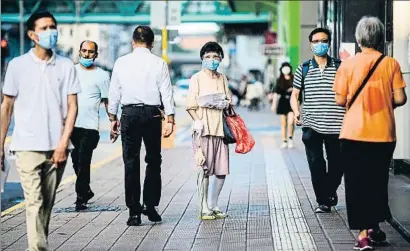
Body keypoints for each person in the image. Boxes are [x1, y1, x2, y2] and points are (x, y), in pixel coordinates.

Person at [0, 11, 80, 251]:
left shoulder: (66, 66)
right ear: (32, 34)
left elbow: (72, 107)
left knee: (46, 205)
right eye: (45, 28)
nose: (50, 32)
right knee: (33, 203)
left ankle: (36, 246)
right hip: (26, 147)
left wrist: (63, 144)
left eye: (53, 27)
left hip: (57, 148)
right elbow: (6, 107)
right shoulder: (17, 66)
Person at [334, 16, 407, 250]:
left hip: (353, 134)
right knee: (377, 181)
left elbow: (339, 100)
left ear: (358, 39)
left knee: (356, 183)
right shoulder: (391, 64)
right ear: (380, 39)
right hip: (383, 134)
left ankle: (364, 234)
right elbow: (400, 98)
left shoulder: (347, 65)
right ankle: (374, 227)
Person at [108, 25, 175, 226]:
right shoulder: (159, 63)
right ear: (152, 43)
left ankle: (134, 212)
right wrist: (170, 119)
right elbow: (167, 92)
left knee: (131, 162)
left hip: (129, 114)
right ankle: (151, 206)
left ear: (132, 41)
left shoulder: (121, 62)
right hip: (153, 114)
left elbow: (114, 93)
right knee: (154, 160)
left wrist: (113, 118)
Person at [290, 27, 344, 213]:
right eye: (316, 41)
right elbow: (295, 94)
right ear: (310, 44)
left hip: (338, 125)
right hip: (311, 125)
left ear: (329, 43)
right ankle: (323, 201)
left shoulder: (340, 66)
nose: (320, 44)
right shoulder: (303, 68)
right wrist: (296, 111)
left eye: (324, 40)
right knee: (316, 164)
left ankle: (329, 191)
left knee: (337, 165)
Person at [186, 41, 231, 220]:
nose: (212, 60)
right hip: (203, 130)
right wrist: (197, 121)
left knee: (221, 171)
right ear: (202, 59)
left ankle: (213, 204)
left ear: (220, 58)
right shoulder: (196, 78)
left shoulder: (222, 78)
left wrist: (223, 102)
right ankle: (203, 206)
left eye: (215, 57)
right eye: (208, 57)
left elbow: (228, 102)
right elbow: (190, 105)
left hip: (221, 130)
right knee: (204, 169)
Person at [71, 40, 110, 211]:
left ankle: (81, 198)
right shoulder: (70, 71)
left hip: (91, 127)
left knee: (83, 161)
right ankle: (86, 190)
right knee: (75, 160)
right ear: (79, 51)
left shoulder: (102, 75)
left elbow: (108, 101)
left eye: (90, 52)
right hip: (71, 126)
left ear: (96, 55)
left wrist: (114, 122)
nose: (87, 55)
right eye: (84, 51)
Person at [271, 62, 295, 148]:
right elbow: (276, 93)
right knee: (283, 123)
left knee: (291, 121)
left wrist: (298, 104)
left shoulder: (293, 78)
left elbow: (298, 92)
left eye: (287, 67)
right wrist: (274, 105)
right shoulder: (279, 79)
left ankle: (290, 138)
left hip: (292, 102)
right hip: (282, 102)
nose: (286, 69)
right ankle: (284, 140)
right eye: (284, 67)